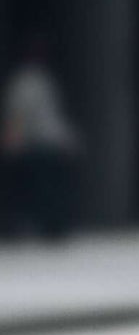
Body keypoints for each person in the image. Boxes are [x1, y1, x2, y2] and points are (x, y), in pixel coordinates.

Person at [2, 31, 79, 241]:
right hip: (40, 146)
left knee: (45, 188)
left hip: (46, 146)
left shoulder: (38, 80)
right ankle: (48, 226)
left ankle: (51, 226)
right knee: (43, 188)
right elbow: (20, 114)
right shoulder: (27, 82)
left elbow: (46, 116)